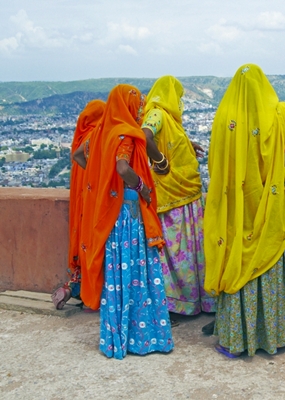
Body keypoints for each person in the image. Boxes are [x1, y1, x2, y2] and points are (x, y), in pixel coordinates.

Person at [203, 64, 285, 357]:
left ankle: (237, 335)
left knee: (239, 263)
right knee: (270, 261)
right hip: (271, 206)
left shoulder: (225, 116)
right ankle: (275, 333)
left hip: (237, 209)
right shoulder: (281, 113)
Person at [74, 84, 174, 359]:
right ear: (128, 106)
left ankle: (116, 335)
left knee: (116, 275)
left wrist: (100, 178)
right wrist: (141, 186)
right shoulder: (126, 134)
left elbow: (78, 156)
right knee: (137, 274)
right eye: (138, 105)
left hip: (110, 216)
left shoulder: (100, 134)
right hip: (129, 215)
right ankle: (141, 337)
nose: (141, 109)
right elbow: (122, 167)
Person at [141, 76, 216, 319]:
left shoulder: (168, 119)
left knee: (189, 250)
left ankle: (192, 301)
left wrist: (187, 145)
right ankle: (177, 304)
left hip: (185, 195)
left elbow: (168, 141)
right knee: (177, 251)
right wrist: (160, 160)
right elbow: (145, 136)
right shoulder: (158, 114)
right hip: (173, 196)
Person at [52, 99, 105, 310]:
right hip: (94, 199)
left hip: (81, 202)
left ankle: (76, 287)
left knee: (83, 244)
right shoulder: (96, 136)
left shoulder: (80, 137)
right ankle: (92, 293)